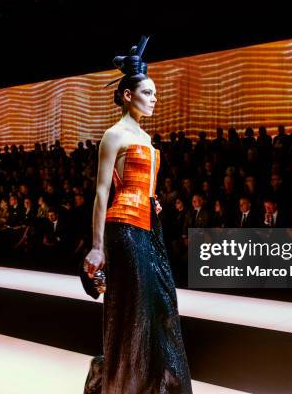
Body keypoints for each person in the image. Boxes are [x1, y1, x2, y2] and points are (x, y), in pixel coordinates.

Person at [83, 36, 192, 393]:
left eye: (155, 93)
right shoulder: (113, 136)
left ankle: (152, 384)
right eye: (148, 92)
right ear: (127, 95)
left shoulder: (145, 137)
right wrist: (97, 247)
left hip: (149, 226)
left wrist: (153, 200)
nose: (154, 98)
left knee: (161, 305)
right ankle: (123, 384)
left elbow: (143, 183)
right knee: (133, 310)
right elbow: (102, 192)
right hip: (124, 229)